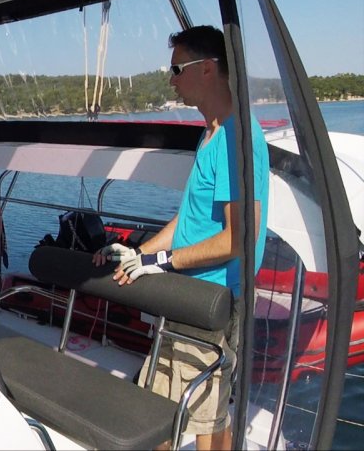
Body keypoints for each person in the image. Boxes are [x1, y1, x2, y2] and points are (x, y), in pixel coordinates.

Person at [93, 25, 269, 451]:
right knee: (161, 412)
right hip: (184, 294)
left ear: (207, 69)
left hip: (211, 302)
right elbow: (188, 219)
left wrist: (159, 264)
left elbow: (236, 240)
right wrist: (138, 252)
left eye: (176, 68)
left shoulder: (235, 139)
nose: (170, 79)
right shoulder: (209, 134)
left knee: (207, 422)